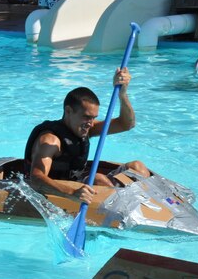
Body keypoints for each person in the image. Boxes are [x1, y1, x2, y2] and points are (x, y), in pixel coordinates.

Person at [25, 68, 150, 204]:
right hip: (61, 191)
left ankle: (145, 203)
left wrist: (123, 94)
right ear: (68, 111)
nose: (91, 124)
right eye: (86, 117)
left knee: (138, 167)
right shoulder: (51, 141)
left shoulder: (85, 128)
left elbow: (126, 124)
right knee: (98, 180)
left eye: (94, 118)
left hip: (78, 184)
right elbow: (36, 179)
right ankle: (125, 205)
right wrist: (72, 193)